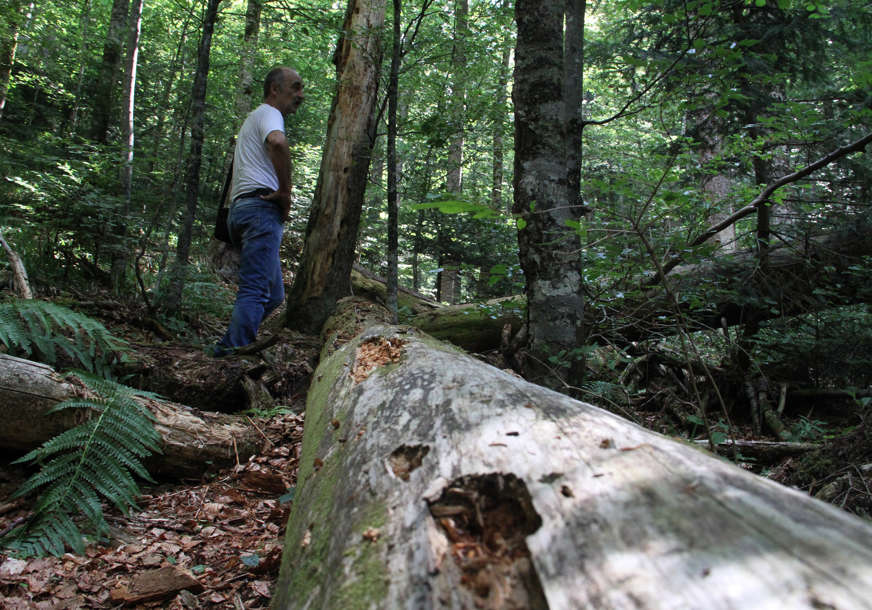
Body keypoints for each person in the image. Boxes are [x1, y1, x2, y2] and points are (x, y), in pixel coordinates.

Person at [208, 67, 305, 356]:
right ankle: (231, 354)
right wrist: (285, 192)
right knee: (256, 290)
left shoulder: (253, 119)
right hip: (260, 211)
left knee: (274, 295)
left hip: (242, 211)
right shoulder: (269, 113)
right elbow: (277, 142)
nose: (301, 95)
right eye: (295, 87)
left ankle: (231, 341)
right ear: (275, 90)